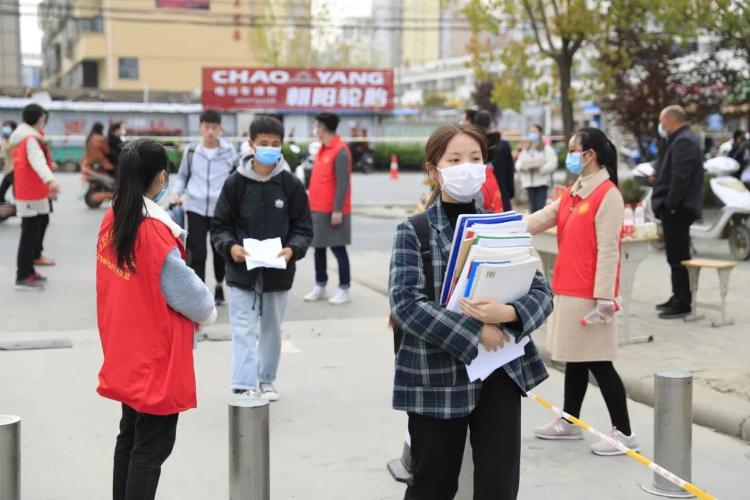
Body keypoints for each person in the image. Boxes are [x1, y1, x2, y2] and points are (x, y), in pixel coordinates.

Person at [389, 124, 553, 500]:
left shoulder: (504, 224)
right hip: (435, 374)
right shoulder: (413, 231)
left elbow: (542, 291)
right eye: (456, 159)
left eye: (476, 159)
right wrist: (477, 330)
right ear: (434, 170)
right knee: (433, 484)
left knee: (499, 484)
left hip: (500, 373)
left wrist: (508, 312)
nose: (468, 167)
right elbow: (406, 304)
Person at [96, 138, 216, 500]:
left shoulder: (115, 216)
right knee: (151, 448)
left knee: (130, 437)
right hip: (155, 355)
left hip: (126, 346)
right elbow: (193, 298)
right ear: (161, 177)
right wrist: (209, 313)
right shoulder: (154, 231)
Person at [527, 127, 639, 455]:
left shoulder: (608, 195)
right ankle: (569, 421)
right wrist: (501, 225)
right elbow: (543, 218)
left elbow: (609, 250)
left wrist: (605, 300)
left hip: (591, 295)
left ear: (590, 154)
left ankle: (625, 433)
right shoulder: (576, 191)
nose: (570, 155)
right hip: (569, 287)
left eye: (573, 149)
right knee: (576, 359)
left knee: (599, 362)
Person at [212, 116, 313, 400]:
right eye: (264, 143)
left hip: (278, 272)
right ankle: (244, 383)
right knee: (243, 328)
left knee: (271, 330)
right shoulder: (235, 184)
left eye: (275, 144)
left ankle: (266, 379)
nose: (269, 148)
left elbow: (304, 228)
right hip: (241, 270)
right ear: (251, 144)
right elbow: (220, 225)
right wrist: (230, 247)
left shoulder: (291, 185)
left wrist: (293, 249)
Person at [170, 109, 238, 305]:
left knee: (219, 250)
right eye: (206, 127)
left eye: (214, 128)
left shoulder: (229, 151)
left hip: (221, 209)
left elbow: (236, 178)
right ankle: (199, 293)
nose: (210, 132)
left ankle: (218, 284)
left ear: (220, 129)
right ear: (200, 127)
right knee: (197, 252)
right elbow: (183, 176)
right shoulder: (192, 151)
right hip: (196, 207)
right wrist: (177, 192)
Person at [651, 105, 704, 319]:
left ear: (672, 121)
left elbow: (680, 178)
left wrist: (670, 204)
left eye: (663, 122)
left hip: (678, 210)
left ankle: (683, 301)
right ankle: (677, 295)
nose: (661, 127)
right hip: (676, 208)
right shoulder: (681, 139)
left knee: (679, 256)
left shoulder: (684, 141)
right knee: (674, 255)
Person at [303, 112, 353, 305]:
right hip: (317, 208)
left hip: (333, 211)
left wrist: (338, 210)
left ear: (323, 128)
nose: (315, 129)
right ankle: (320, 285)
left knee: (339, 249)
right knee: (318, 249)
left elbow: (343, 184)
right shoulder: (323, 149)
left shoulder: (340, 150)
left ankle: (344, 288)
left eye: (316, 126)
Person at [10, 104, 61, 290]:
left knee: (35, 229)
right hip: (30, 192)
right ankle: (22, 275)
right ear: (39, 119)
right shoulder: (30, 139)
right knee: (29, 234)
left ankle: (29, 271)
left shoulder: (26, 137)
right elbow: (37, 162)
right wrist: (50, 181)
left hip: (33, 191)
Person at [473, 109, 515, 211]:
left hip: (478, 192)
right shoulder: (503, 145)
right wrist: (511, 193)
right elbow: (510, 171)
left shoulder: (473, 143)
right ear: (491, 124)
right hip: (501, 191)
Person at [515, 124, 557, 212]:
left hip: (542, 183)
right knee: (532, 208)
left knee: (540, 208)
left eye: (534, 132)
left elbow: (553, 163)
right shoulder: (526, 150)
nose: (532, 134)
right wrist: (522, 167)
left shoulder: (546, 149)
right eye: (531, 132)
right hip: (528, 183)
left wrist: (540, 168)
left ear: (540, 133)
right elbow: (518, 163)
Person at [0, 120, 17, 204]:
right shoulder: (4, 140)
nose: (5, 129)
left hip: (15, 170)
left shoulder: (16, 139)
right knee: (1, 193)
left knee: (17, 193)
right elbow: (2, 155)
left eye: (8, 127)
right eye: (4, 127)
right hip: (8, 170)